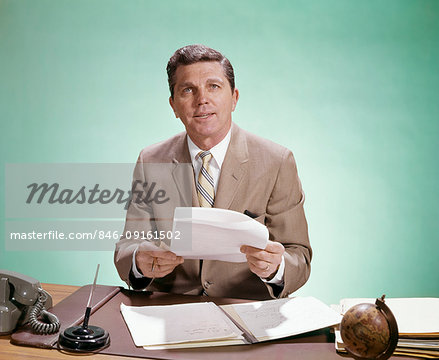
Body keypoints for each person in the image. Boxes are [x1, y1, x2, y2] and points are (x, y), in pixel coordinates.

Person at [114, 44, 312, 300]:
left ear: (234, 98)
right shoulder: (150, 161)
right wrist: (140, 262)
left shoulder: (277, 161)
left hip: (247, 311)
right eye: (188, 90)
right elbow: (127, 247)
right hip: (170, 311)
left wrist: (276, 268)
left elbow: (299, 255)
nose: (202, 100)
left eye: (214, 86)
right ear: (174, 105)